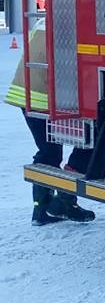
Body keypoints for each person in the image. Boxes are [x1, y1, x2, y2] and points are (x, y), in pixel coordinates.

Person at [5, 24, 96, 226]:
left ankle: (41, 210)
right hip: (47, 99)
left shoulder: (45, 20)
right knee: (91, 141)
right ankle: (64, 200)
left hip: (27, 95)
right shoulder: (75, 22)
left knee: (48, 153)